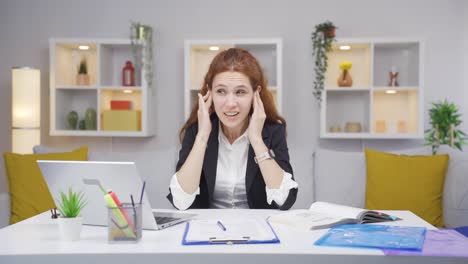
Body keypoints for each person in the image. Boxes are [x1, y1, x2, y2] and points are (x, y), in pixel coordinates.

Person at [167, 48, 298, 210]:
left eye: (240, 92)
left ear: (255, 94)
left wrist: (257, 140)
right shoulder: (197, 130)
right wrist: (202, 136)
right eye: (221, 91)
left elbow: (285, 200)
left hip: (258, 229)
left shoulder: (272, 131)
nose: (230, 103)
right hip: (207, 230)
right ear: (210, 93)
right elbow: (180, 201)